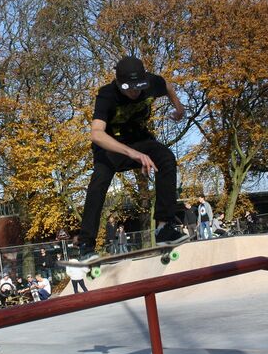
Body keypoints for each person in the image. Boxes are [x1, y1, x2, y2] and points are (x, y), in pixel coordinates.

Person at [76, 56, 187, 257]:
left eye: (138, 88)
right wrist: (132, 153)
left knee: (166, 159)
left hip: (139, 139)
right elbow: (96, 133)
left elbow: (167, 86)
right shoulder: (107, 95)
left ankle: (163, 227)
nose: (134, 93)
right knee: (99, 182)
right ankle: (86, 244)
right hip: (111, 146)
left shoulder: (152, 83)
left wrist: (179, 107)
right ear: (119, 83)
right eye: (129, 89)